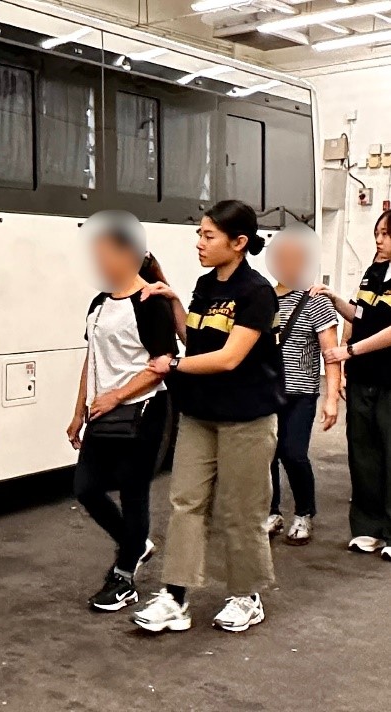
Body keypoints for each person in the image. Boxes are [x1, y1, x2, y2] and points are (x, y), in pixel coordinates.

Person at [132, 199, 282, 634]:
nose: (199, 242)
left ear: (238, 243)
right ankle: (175, 598)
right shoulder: (204, 285)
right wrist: (174, 299)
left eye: (208, 235)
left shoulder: (257, 293)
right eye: (199, 233)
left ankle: (245, 595)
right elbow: (194, 338)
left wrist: (171, 367)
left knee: (240, 509)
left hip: (247, 417)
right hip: (201, 413)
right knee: (185, 503)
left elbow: (230, 358)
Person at [66, 213, 176, 612]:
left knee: (134, 495)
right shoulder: (98, 303)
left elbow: (162, 361)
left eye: (104, 254)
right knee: (86, 488)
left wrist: (115, 396)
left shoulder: (150, 302)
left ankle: (125, 576)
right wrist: (79, 410)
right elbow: (91, 358)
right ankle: (136, 543)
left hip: (142, 411)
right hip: (102, 412)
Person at [311, 209, 391, 560]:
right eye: (377, 233)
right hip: (363, 379)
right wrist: (333, 298)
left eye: (386, 234)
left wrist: (349, 351)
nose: (378, 239)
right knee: (363, 455)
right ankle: (367, 529)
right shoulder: (374, 272)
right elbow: (361, 314)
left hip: (389, 380)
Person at [262, 228, 341, 546]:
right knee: (267, 454)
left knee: (294, 454)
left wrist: (331, 398)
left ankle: (305, 512)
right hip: (266, 392)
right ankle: (272, 511)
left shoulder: (316, 301)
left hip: (301, 392)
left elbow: (330, 354)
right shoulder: (263, 298)